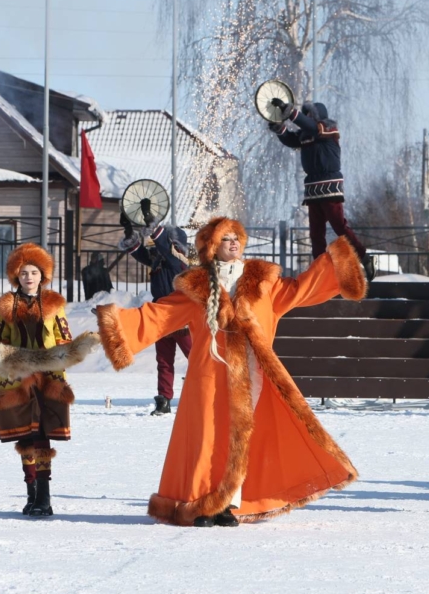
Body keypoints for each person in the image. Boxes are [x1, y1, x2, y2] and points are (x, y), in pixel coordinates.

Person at [96, 217, 366, 527]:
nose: (234, 242)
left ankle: (227, 503)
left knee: (241, 437)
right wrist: (117, 325)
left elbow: (301, 289)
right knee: (207, 436)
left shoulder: (265, 282)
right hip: (209, 373)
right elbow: (160, 315)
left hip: (253, 373)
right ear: (211, 247)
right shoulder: (196, 285)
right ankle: (200, 504)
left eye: (237, 237)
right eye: (225, 238)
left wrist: (338, 265)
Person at [0, 244, 75, 517]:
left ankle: (45, 498)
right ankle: (31, 492)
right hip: (17, 378)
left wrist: (66, 354)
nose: (29, 277)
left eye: (34, 272)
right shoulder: (6, 307)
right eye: (24, 273)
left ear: (43, 275)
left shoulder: (54, 305)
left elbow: (63, 337)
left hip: (48, 379)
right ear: (16, 275)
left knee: (42, 436)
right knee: (25, 436)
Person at [268, 99, 372, 278]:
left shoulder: (328, 129)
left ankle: (364, 257)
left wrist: (289, 111)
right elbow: (291, 139)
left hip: (330, 187)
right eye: (305, 114)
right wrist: (279, 127)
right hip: (313, 190)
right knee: (316, 234)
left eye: (309, 115)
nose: (307, 118)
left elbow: (312, 127)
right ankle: (319, 271)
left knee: (339, 226)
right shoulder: (306, 136)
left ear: (318, 116)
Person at [119, 202, 192, 416]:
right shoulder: (159, 260)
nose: (157, 246)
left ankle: (210, 389)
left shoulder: (179, 262)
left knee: (196, 356)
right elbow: (140, 252)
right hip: (160, 317)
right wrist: (129, 231)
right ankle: (164, 399)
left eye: (166, 242)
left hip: (182, 318)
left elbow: (164, 248)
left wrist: (153, 224)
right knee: (164, 361)